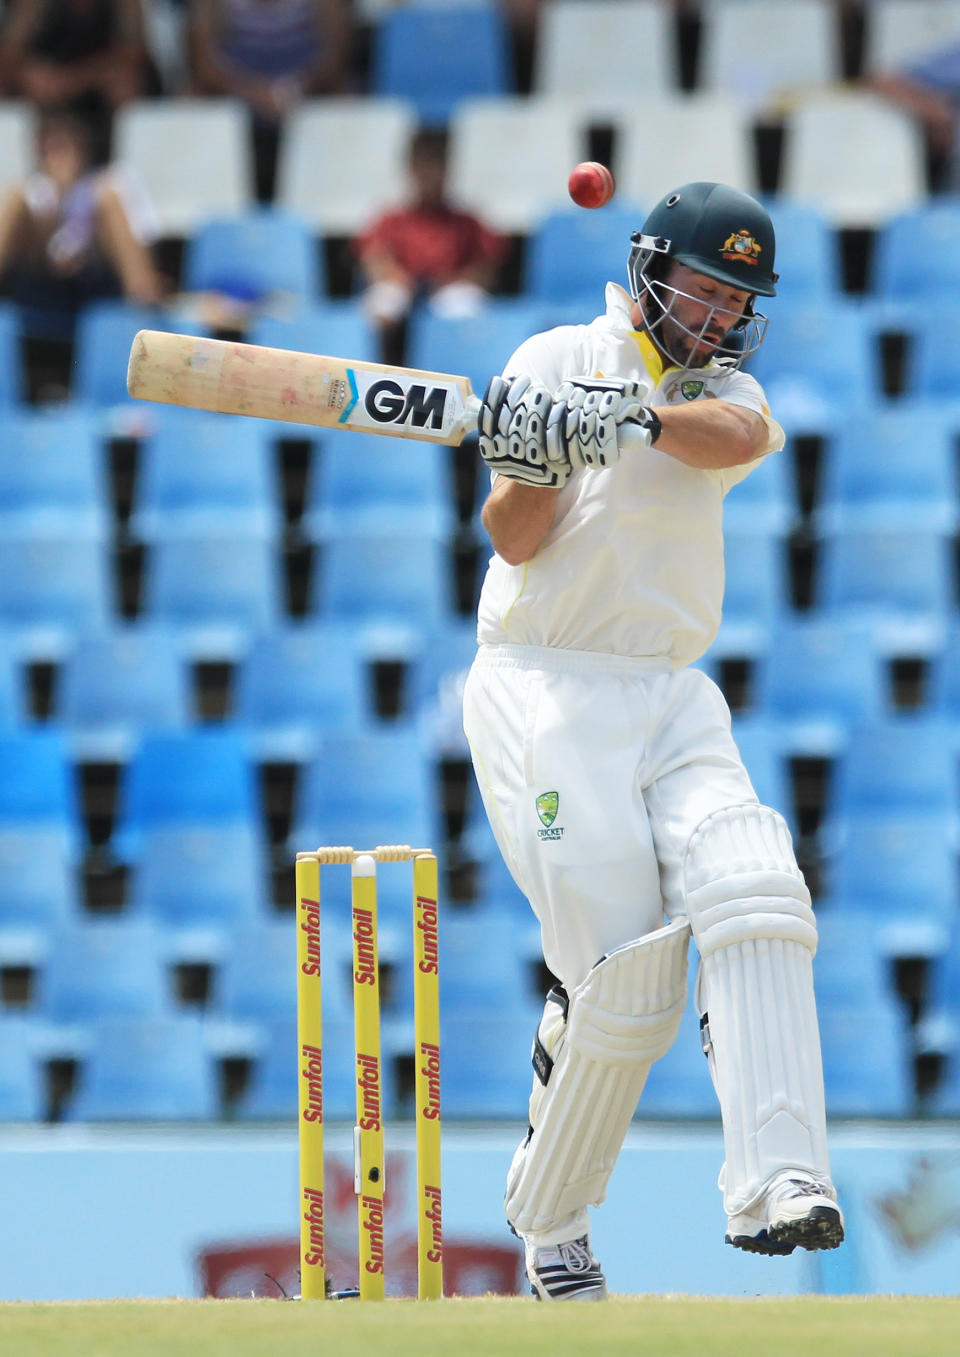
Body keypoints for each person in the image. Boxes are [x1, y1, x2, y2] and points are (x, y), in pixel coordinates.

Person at [462, 181, 844, 1301]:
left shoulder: (721, 392)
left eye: (740, 301)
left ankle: (780, 1180)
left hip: (672, 688)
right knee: (624, 982)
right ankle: (554, 1228)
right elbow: (514, 536)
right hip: (548, 682)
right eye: (707, 289)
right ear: (649, 269)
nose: (721, 316)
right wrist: (542, 454)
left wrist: (625, 417)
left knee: (757, 883)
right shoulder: (551, 354)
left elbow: (737, 433)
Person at [0, 107, 163, 336]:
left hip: (97, 281)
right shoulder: (32, 190)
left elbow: (145, 241)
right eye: (51, 147)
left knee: (109, 200)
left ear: (83, 147)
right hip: (40, 282)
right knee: (14, 197)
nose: (59, 156)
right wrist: (60, 196)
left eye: (65, 145)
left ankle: (144, 315)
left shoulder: (111, 183)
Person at [353, 127, 507, 360]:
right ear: (411, 169)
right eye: (423, 166)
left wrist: (452, 280)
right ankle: (381, 373)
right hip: (403, 288)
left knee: (463, 306)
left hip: (448, 290)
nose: (430, 175)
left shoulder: (467, 221)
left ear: (448, 169)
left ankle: (456, 374)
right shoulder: (391, 218)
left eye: (436, 166)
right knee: (383, 304)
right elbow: (373, 260)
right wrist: (397, 277)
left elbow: (485, 270)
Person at [187, 0, 353, 200]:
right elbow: (204, 66)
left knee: (344, 105)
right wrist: (255, 93)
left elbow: (334, 59)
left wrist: (296, 89)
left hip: (306, 103)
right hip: (235, 105)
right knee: (190, 106)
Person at [0, 0, 153, 125]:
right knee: (19, 80)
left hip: (97, 81)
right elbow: (9, 53)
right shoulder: (32, 4)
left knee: (125, 82)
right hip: (48, 85)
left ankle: (131, 153)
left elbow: (133, 54)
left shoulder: (125, 4)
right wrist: (33, 72)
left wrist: (71, 81)